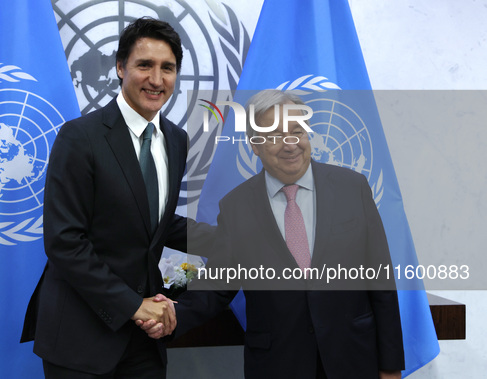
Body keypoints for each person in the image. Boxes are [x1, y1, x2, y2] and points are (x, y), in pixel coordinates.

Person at [140, 90, 405, 378]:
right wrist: (172, 317)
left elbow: (381, 281)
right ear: (254, 144)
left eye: (297, 131)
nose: (290, 144)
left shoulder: (352, 188)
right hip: (278, 363)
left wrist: (389, 366)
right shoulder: (236, 206)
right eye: (275, 135)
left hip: (353, 358)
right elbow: (217, 285)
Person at [21, 17, 193, 378]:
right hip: (81, 340)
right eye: (144, 65)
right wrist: (134, 306)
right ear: (120, 67)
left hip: (145, 342)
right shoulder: (79, 137)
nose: (157, 80)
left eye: (168, 68)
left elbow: (152, 224)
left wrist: (227, 237)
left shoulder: (176, 140)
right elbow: (65, 241)